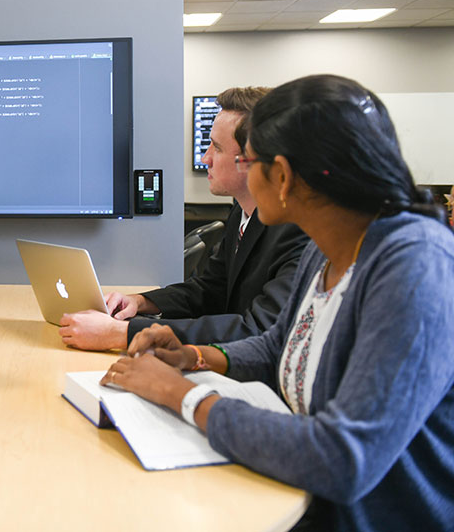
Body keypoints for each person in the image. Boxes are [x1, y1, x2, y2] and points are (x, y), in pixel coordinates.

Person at [104, 75, 454, 531]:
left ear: (283, 176)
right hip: (304, 498)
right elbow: (278, 346)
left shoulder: (415, 266)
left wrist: (181, 394)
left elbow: (343, 458)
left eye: (249, 161)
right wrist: (194, 355)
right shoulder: (324, 245)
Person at [60, 87, 308, 350]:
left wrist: (123, 333)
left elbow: (256, 329)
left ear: (255, 160)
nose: (205, 158)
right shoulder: (242, 212)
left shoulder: (297, 230)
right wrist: (141, 302)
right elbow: (211, 289)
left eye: (218, 147)